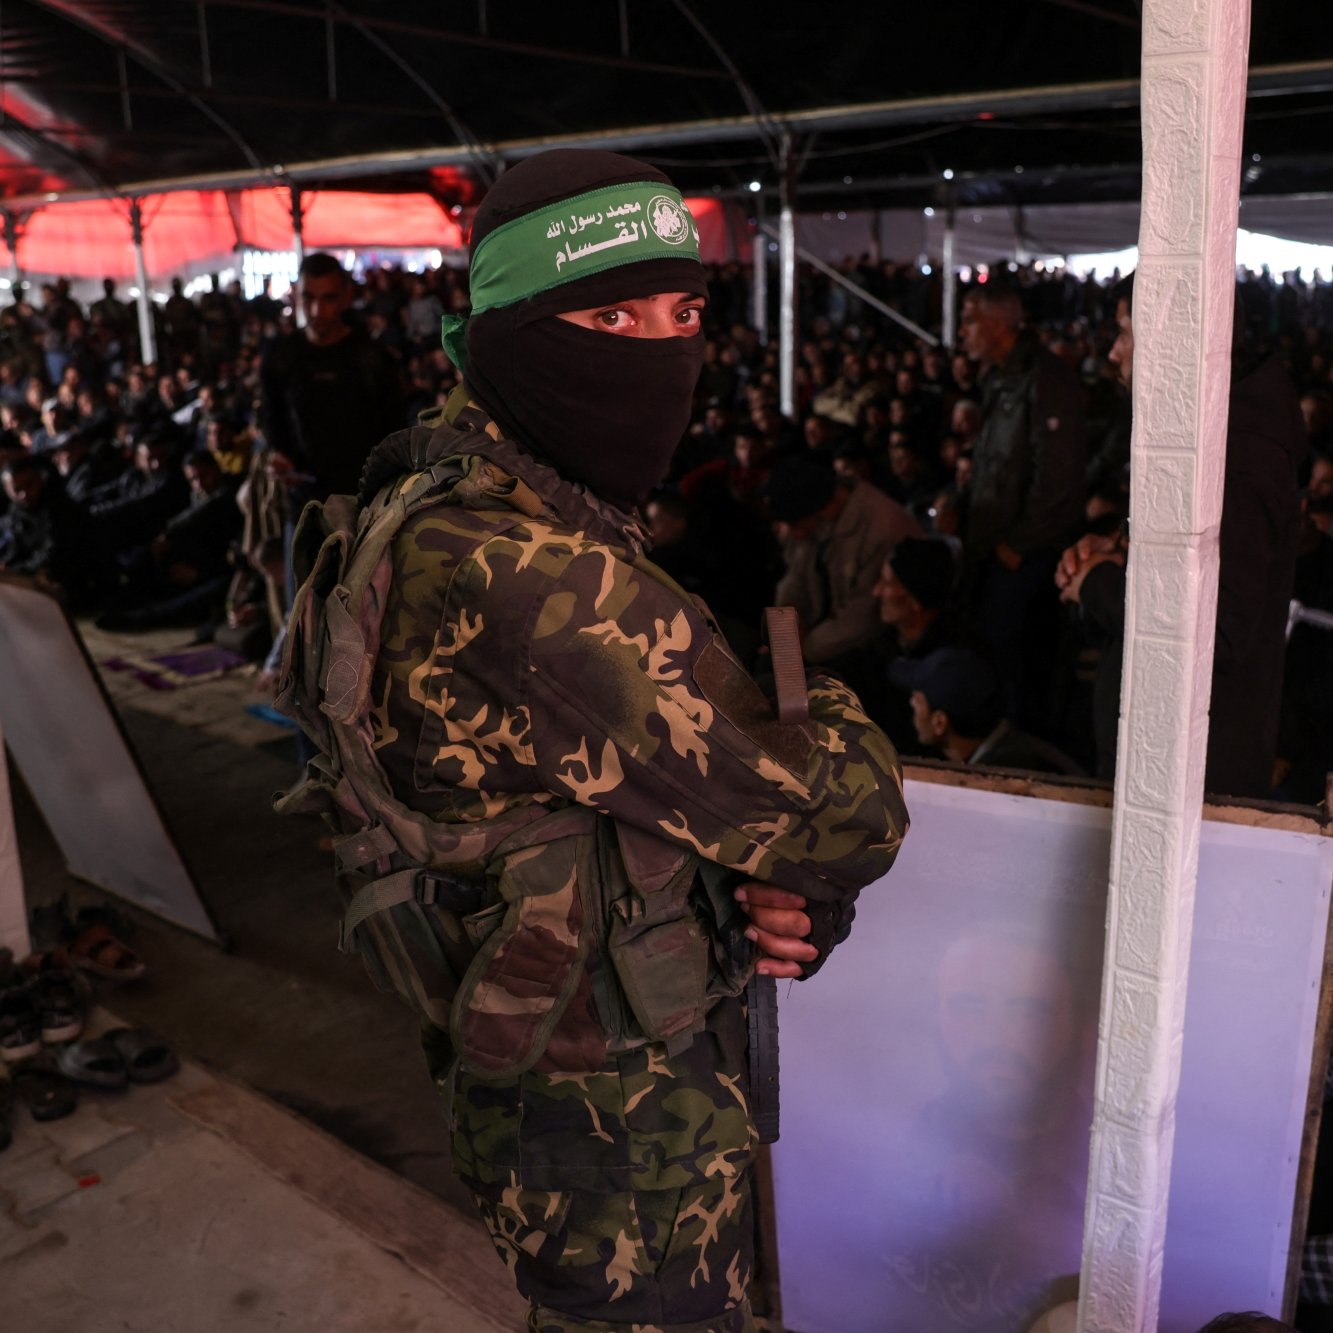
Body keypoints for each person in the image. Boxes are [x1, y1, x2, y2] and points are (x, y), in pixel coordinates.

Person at [287, 148, 909, 1333]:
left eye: (682, 313)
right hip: (622, 1126)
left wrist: (752, 858)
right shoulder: (530, 577)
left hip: (565, 1089)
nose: (661, 353)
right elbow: (848, 812)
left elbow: (612, 800)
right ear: (514, 334)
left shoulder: (436, 493)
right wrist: (822, 715)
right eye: (613, 316)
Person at [1057, 274, 1306, 796]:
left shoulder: (1238, 458)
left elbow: (1217, 635)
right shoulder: (1209, 430)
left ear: (1172, 341)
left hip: (1190, 774)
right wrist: (1121, 549)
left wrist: (1099, 585)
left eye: (1126, 333)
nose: (1114, 354)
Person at [959, 284, 1087, 729]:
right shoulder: (999, 376)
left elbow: (1057, 477)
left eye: (970, 321)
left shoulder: (1045, 378)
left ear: (998, 325)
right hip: (998, 543)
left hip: (1028, 552)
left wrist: (1019, 543)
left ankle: (1021, 744)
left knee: (1020, 662)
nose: (963, 332)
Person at [890, 647, 1084, 775]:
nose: (911, 703)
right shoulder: (1008, 752)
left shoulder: (1005, 777)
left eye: (917, 700)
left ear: (939, 722)